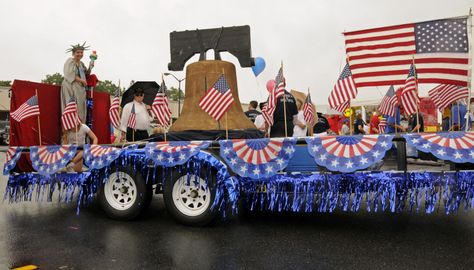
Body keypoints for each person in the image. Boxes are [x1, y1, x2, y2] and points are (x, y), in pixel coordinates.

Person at [61, 42, 92, 123]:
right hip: (70, 86)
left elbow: (86, 74)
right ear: (73, 53)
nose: (80, 54)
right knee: (72, 107)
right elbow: (69, 74)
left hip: (80, 89)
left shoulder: (81, 64)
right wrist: (81, 80)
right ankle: (71, 126)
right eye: (78, 52)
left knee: (80, 108)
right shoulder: (70, 61)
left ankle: (79, 127)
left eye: (81, 52)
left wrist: (91, 64)